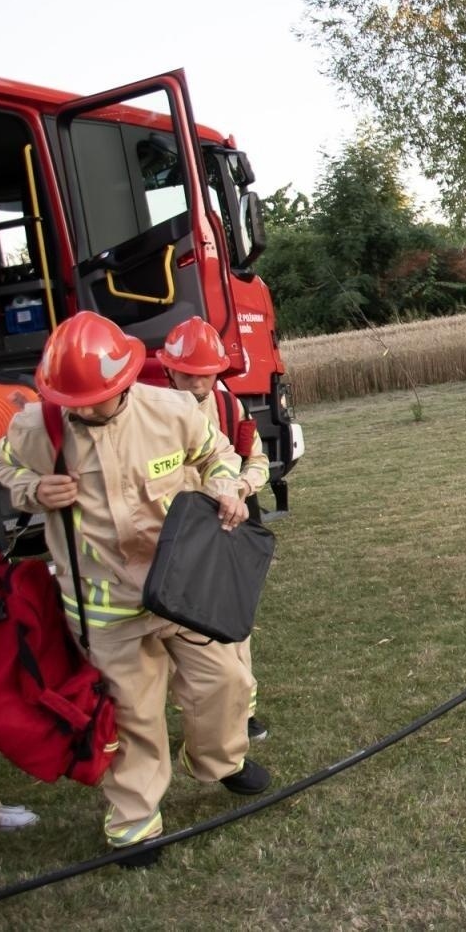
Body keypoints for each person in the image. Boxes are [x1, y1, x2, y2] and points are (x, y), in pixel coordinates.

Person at [0, 311, 270, 866]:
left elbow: (218, 454)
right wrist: (31, 490)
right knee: (133, 715)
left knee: (227, 681)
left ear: (124, 381)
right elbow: (3, 466)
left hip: (183, 587)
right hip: (104, 605)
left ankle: (220, 760)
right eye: (71, 399)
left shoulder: (172, 412)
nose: (83, 408)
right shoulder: (35, 428)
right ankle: (136, 823)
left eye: (95, 397)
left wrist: (226, 487)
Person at [158, 316, 271, 743]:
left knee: (230, 622)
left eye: (207, 375)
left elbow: (255, 460)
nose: (199, 384)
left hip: (222, 530)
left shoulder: (228, 408)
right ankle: (200, 716)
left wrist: (240, 487)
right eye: (189, 374)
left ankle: (242, 713)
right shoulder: (150, 414)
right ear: (168, 369)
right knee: (178, 633)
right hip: (171, 537)